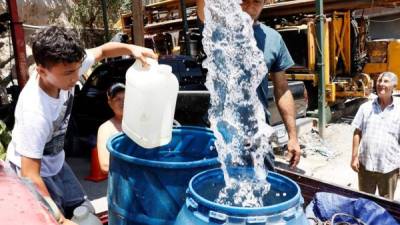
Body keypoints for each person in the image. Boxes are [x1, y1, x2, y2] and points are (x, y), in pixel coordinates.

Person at [6, 26, 157, 224]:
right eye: (69, 73)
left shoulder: (69, 65)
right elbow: (30, 173)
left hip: (57, 162)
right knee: (51, 217)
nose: (76, 77)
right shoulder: (35, 111)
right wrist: (59, 219)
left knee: (84, 210)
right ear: (42, 71)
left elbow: (103, 51)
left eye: (78, 69)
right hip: (33, 171)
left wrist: (132, 49)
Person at [196, 0, 301, 170]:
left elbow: (282, 90)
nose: (249, 6)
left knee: (263, 187)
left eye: (257, 1)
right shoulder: (220, 30)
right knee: (214, 187)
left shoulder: (274, 39)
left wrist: (293, 137)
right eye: (244, 0)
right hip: (220, 134)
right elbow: (202, 10)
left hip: (258, 134)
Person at [351, 72, 400, 200]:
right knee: (365, 203)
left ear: (394, 86)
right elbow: (357, 132)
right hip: (366, 165)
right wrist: (354, 157)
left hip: (389, 167)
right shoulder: (365, 107)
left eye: (386, 81)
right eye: (379, 81)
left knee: (386, 206)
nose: (381, 84)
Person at [97, 83, 125, 174]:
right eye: (118, 99)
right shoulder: (105, 128)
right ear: (110, 103)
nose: (123, 103)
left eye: (126, 98)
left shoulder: (141, 125)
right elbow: (105, 166)